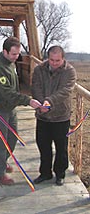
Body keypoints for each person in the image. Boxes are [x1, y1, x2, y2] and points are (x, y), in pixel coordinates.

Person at [0, 36, 41, 185]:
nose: (16, 57)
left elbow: (13, 90)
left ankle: (2, 161)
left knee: (13, 137)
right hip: (0, 108)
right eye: (13, 54)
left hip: (10, 107)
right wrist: (28, 101)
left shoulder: (11, 63)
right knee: (1, 141)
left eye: (18, 54)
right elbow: (7, 93)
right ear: (4, 51)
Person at [32, 45, 76, 186]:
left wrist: (49, 101)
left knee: (61, 148)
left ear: (63, 59)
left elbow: (65, 90)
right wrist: (40, 104)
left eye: (57, 60)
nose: (54, 63)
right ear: (47, 58)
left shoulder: (70, 71)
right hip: (43, 116)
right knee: (43, 145)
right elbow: (36, 87)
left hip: (61, 116)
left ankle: (60, 174)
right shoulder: (39, 69)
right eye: (51, 60)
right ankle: (45, 173)